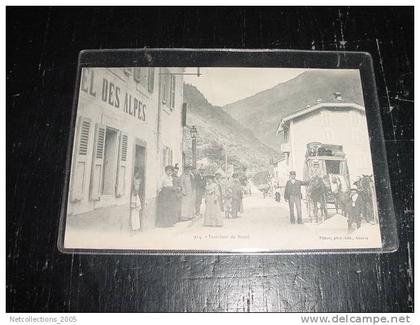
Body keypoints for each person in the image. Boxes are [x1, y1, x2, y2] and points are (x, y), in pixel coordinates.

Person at [130, 167, 143, 231]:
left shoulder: (136, 180)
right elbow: (136, 189)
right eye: (137, 173)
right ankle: (134, 227)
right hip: (134, 196)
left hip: (135, 196)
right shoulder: (134, 180)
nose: (138, 174)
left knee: (136, 211)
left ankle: (136, 227)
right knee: (134, 211)